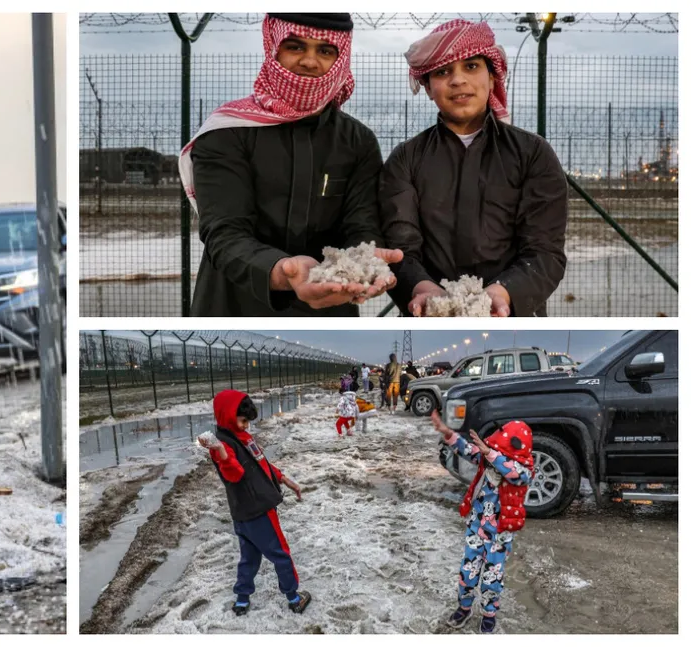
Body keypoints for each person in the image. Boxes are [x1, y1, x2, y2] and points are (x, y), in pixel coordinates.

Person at [179, 13, 403, 316]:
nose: (310, 61)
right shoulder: (226, 132)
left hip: (332, 303)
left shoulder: (357, 141)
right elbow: (226, 233)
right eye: (296, 47)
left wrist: (363, 259)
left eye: (325, 51)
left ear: (341, 57)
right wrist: (283, 270)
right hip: (235, 305)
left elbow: (361, 225)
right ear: (274, 48)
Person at [381, 19, 568, 317]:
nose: (457, 80)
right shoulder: (406, 159)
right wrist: (421, 288)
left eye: (471, 66)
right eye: (443, 71)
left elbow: (545, 252)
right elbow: (399, 249)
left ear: (492, 77)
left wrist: (504, 293)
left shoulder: (533, 154)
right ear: (428, 87)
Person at [196, 390, 311, 615]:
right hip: (258, 510)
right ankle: (294, 597)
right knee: (280, 553)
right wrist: (220, 451)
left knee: (249, 557)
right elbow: (234, 475)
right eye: (242, 420)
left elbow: (261, 463)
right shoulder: (222, 446)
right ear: (227, 415)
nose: (246, 425)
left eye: (248, 421)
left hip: (242, 512)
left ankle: (241, 599)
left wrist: (284, 479)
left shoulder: (243, 438)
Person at [431, 411, 533, 633]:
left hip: (500, 535)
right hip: (477, 529)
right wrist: (448, 433)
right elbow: (468, 449)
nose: (491, 452)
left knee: (491, 577)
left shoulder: (522, 470)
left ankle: (489, 613)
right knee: (468, 572)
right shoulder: (486, 459)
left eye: (498, 449)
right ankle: (464, 608)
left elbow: (516, 474)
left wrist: (492, 454)